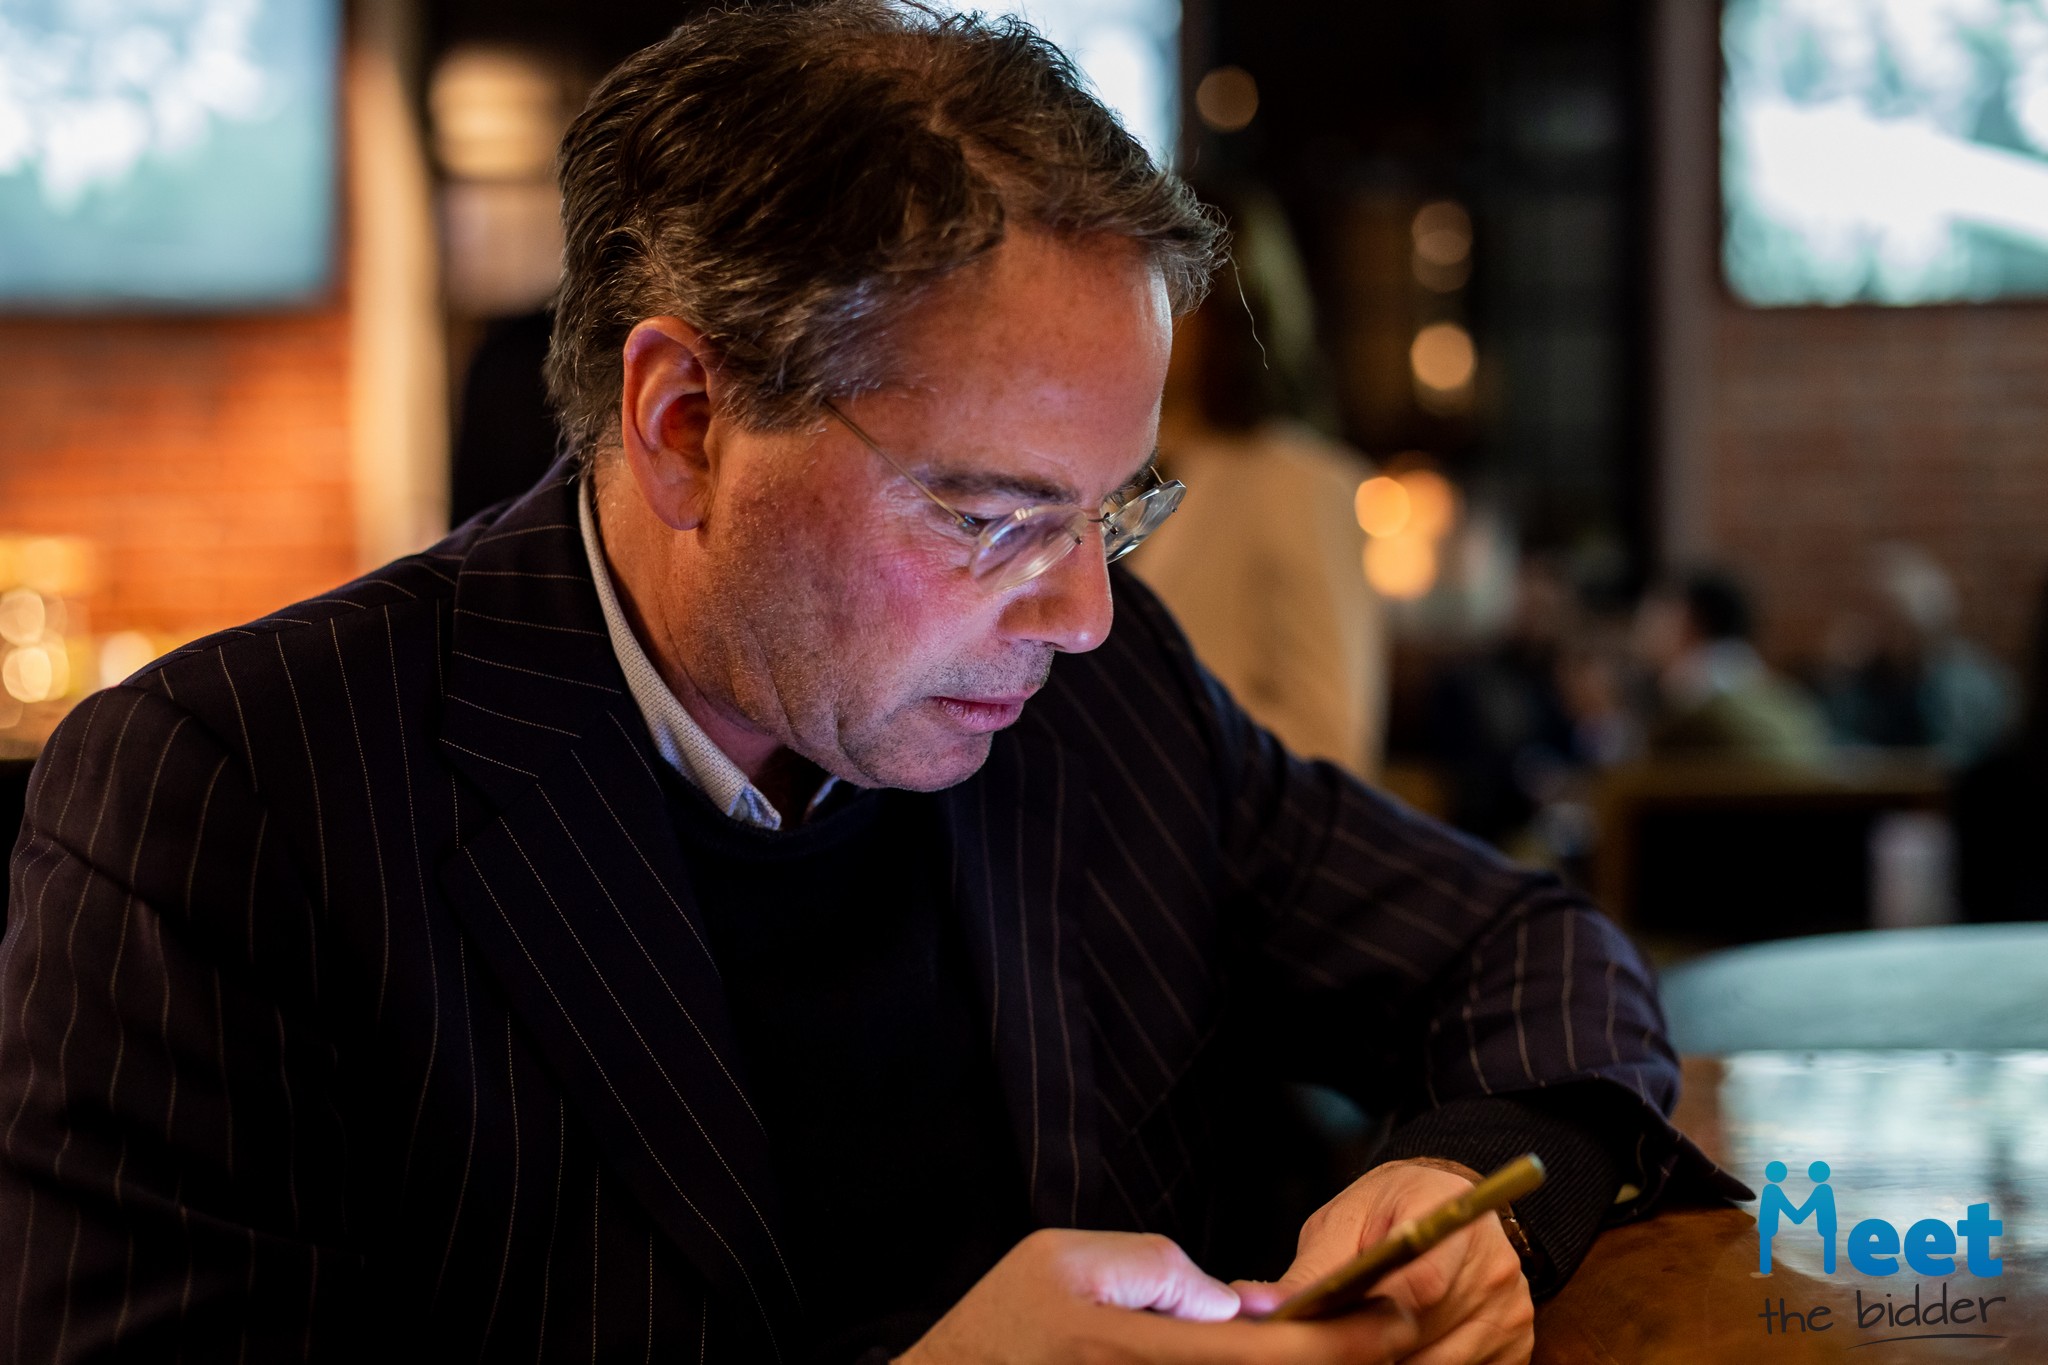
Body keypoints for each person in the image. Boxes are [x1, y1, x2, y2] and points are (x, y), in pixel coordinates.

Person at [0, 5, 1736, 1361]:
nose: (1082, 612)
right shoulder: (233, 799)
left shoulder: (1096, 699)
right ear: (686, 424)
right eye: (990, 517)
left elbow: (1525, 951)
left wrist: (1464, 1190)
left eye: (1114, 511)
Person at [1128, 183, 1387, 780]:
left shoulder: (1297, 482)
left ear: (1227, 302)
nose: (1136, 306)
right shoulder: (1124, 470)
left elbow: (1333, 739)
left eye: (1163, 283)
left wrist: (1136, 738)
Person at [1633, 569, 1828, 766]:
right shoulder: (1783, 697)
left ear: (1689, 619)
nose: (1645, 628)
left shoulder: (1690, 687)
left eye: (1657, 617)